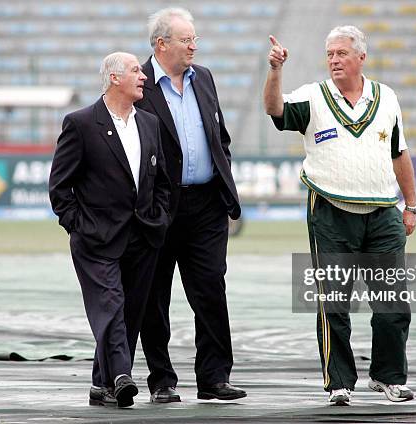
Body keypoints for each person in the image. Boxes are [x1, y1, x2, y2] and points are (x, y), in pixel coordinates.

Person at [264, 26, 416, 406]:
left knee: (393, 303)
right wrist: (275, 71)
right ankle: (339, 383)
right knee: (334, 302)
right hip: (330, 212)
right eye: (329, 53)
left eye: (341, 53)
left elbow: (399, 153)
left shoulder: (387, 98)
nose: (333, 59)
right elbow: (274, 109)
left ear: (360, 57)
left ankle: (388, 377)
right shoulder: (314, 96)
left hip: (383, 212)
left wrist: (411, 205)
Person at [135, 7, 245, 403]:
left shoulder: (206, 78)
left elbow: (220, 137)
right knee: (154, 296)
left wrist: (224, 180)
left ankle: (214, 378)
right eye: (186, 39)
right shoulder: (140, 84)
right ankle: (161, 380)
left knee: (211, 290)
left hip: (206, 207)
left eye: (194, 38)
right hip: (160, 208)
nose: (194, 45)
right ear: (162, 44)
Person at [49, 52, 171, 408]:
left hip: (143, 235)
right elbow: (60, 187)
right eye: (136, 71)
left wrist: (158, 218)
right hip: (95, 238)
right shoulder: (81, 123)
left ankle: (101, 383)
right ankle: (121, 375)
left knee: (130, 311)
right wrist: (78, 225)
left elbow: (161, 180)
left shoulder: (149, 123)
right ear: (114, 78)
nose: (144, 76)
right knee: (110, 305)